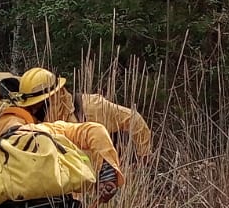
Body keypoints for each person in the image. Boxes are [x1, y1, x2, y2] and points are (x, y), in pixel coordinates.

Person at [16, 66, 153, 161]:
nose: (33, 111)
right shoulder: (30, 122)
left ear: (53, 97)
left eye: (36, 106)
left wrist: (143, 155)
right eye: (29, 107)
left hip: (102, 184)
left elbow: (134, 119)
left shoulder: (92, 107)